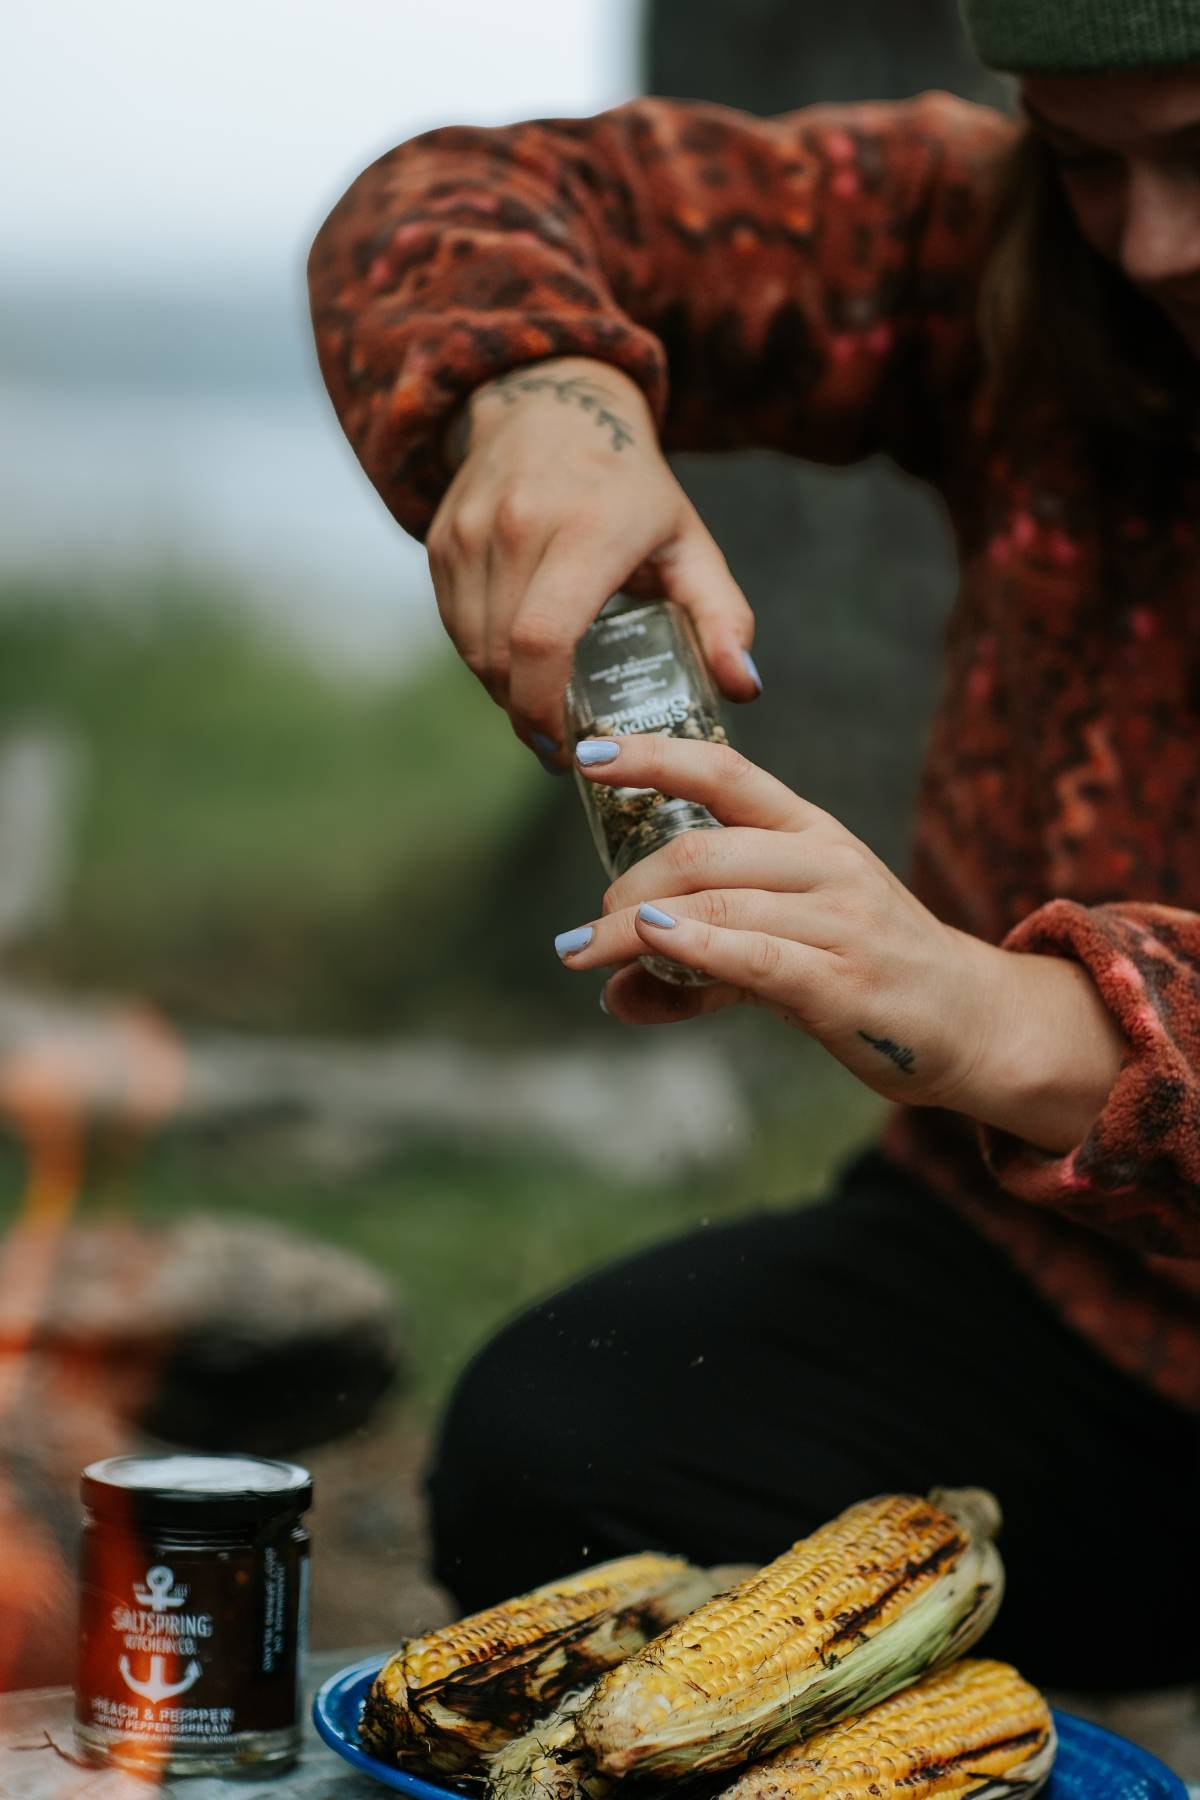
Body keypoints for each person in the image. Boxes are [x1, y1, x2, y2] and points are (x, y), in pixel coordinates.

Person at [309, 0, 1200, 1691]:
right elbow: (445, 200)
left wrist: (1015, 1022)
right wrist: (544, 398)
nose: (1157, 241)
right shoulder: (1004, 241)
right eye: (1091, 160)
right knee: (567, 1447)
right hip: (1063, 1307)